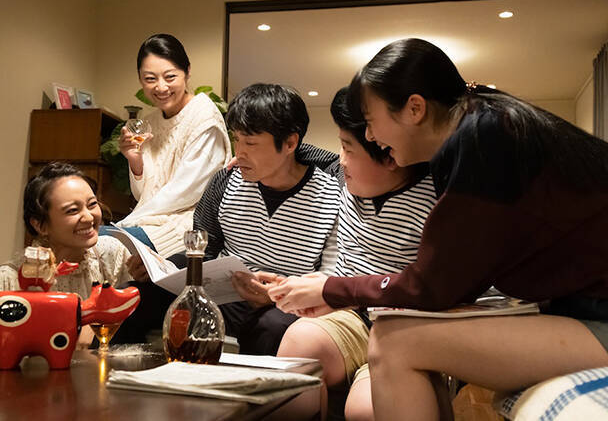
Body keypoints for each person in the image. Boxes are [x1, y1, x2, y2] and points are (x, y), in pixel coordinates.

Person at [269, 38, 608, 420]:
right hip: (578, 309)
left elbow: (432, 286)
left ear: (414, 108)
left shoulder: (483, 140)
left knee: (394, 342)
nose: (371, 136)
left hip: (596, 315)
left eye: (371, 121)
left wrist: (332, 289)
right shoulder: (486, 121)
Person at [276, 87, 437, 420]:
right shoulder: (347, 179)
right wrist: (258, 157)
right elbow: (312, 153)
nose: (341, 159)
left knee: (366, 408)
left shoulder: (435, 198)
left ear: (390, 153)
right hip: (350, 314)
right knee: (298, 346)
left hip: (408, 325)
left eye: (348, 149)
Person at [193, 83, 341, 355]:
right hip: (229, 295)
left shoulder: (331, 194)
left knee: (271, 327)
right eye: (236, 139)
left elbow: (331, 274)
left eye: (250, 143)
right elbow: (203, 248)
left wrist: (276, 296)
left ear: (290, 143)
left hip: (289, 304)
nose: (239, 152)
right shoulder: (226, 181)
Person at [0, 162, 146, 366]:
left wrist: (144, 280)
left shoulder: (111, 253)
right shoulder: (11, 279)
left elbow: (129, 326)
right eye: (72, 210)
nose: (89, 217)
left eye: (92, 204)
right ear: (40, 225)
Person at [113, 33, 232, 257]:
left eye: (170, 77)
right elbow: (142, 194)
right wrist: (135, 160)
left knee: (104, 244)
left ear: (187, 72)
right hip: (150, 221)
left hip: (188, 228)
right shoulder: (150, 122)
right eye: (150, 79)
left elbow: (186, 193)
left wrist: (128, 222)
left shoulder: (204, 117)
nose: (161, 87)